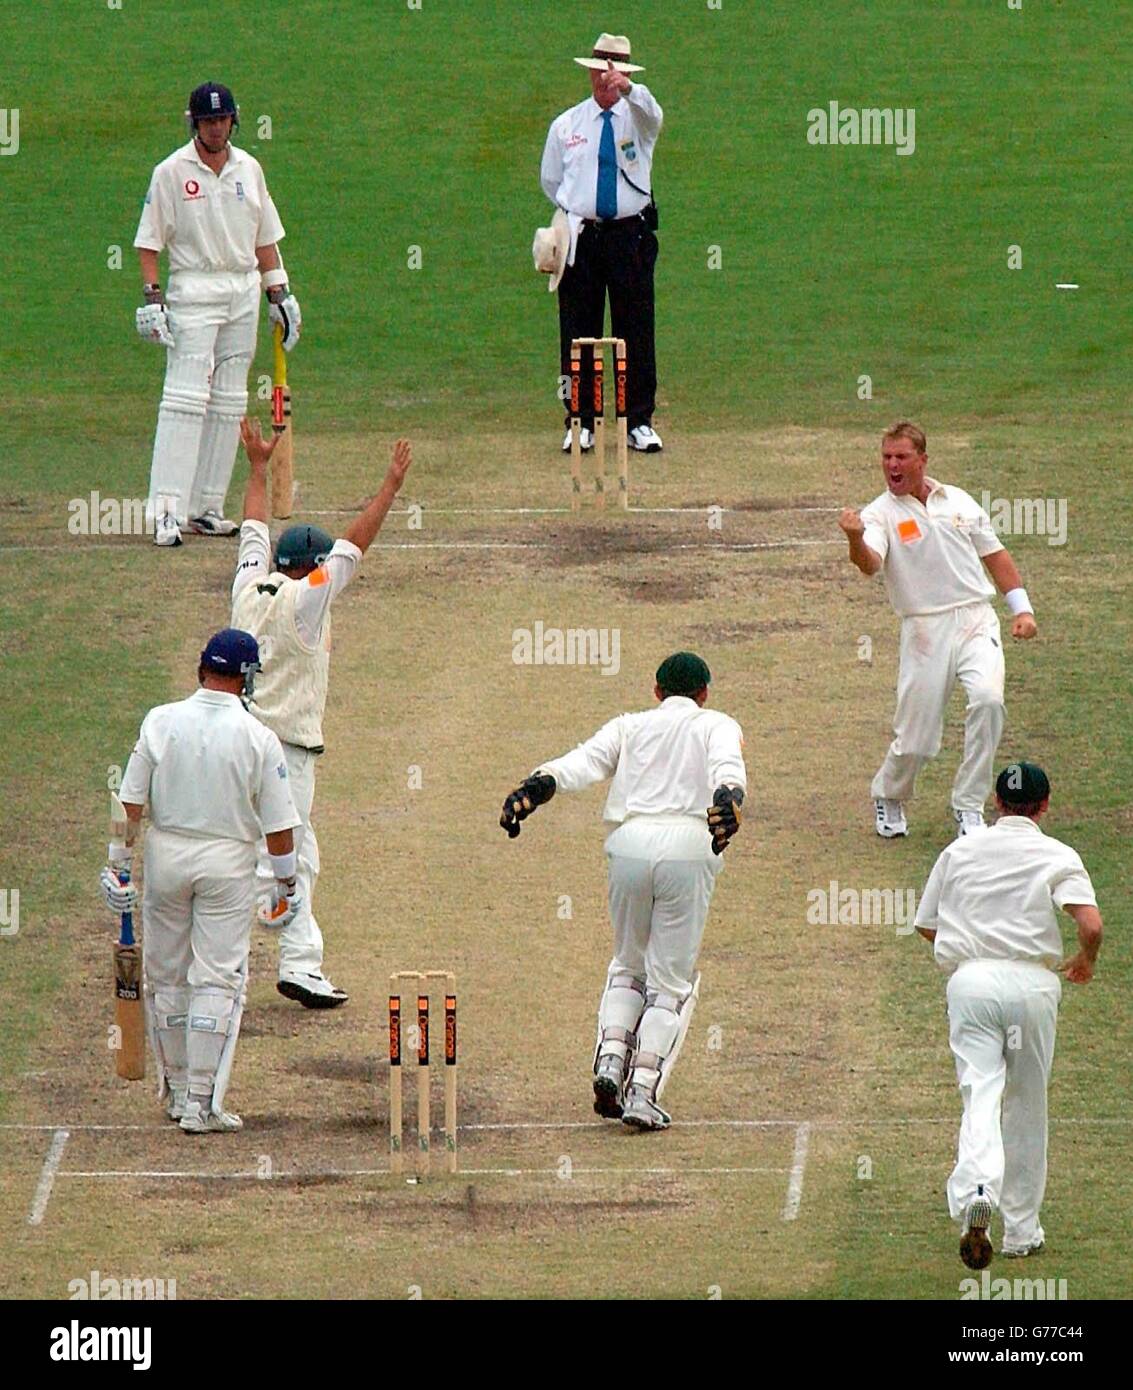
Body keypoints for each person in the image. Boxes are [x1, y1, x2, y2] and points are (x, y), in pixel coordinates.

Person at [499, 652, 746, 1130]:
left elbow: (583, 762)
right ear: (704, 694)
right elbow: (728, 769)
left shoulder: (630, 725)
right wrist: (728, 799)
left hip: (629, 845)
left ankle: (610, 1062)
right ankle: (642, 1091)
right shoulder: (717, 723)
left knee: (628, 966)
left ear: (656, 692)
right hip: (690, 847)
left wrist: (537, 784)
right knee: (671, 983)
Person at [230, 419, 412, 1008]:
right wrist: (390, 485)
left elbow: (253, 527)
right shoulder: (308, 601)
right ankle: (252, 952)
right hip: (285, 752)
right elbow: (353, 546)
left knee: (295, 855)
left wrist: (258, 469)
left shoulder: (247, 587)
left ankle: (300, 963)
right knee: (282, 860)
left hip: (239, 740)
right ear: (309, 568)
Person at [100, 629, 302, 1133]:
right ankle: (198, 1104)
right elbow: (279, 828)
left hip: (166, 857)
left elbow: (129, 804)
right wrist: (287, 886)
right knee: (216, 977)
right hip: (227, 864)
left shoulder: (160, 721)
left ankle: (175, 1094)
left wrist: (117, 866)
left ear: (201, 668)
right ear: (248, 676)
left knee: (167, 975)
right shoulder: (259, 737)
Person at [914, 762, 1103, 1269]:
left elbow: (928, 925)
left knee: (981, 1091)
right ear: (1044, 807)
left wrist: (967, 948)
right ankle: (1021, 1231)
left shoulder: (961, 849)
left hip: (972, 982)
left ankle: (978, 1189)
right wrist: (1086, 960)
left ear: (996, 802)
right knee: (1027, 1104)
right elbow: (1089, 923)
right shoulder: (1057, 853)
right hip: (1033, 987)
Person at [838, 421, 1037, 839]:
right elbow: (870, 563)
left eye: (901, 457)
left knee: (988, 701)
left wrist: (1022, 609)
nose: (891, 465)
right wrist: (855, 539)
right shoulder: (879, 514)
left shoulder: (958, 500)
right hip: (925, 629)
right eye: (886, 457)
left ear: (922, 460)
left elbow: (996, 556)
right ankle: (890, 794)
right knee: (917, 738)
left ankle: (968, 807)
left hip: (976, 618)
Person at [134, 81, 301, 547]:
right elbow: (149, 242)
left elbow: (265, 238)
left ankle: (206, 506)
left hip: (242, 290)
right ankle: (166, 511)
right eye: (208, 121)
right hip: (194, 289)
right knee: (185, 398)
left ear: (233, 120)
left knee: (229, 399)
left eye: (222, 119)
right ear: (194, 123)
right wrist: (153, 298)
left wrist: (279, 293)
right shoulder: (170, 171)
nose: (216, 127)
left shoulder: (250, 168)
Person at [541, 33, 664, 456]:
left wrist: (630, 89)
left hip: (630, 235)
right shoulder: (567, 124)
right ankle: (580, 422)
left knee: (636, 329)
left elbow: (655, 114)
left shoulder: (638, 120)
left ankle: (639, 422)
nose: (604, 80)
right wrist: (578, 214)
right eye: (599, 71)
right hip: (584, 237)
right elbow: (552, 182)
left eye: (612, 73)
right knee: (579, 331)